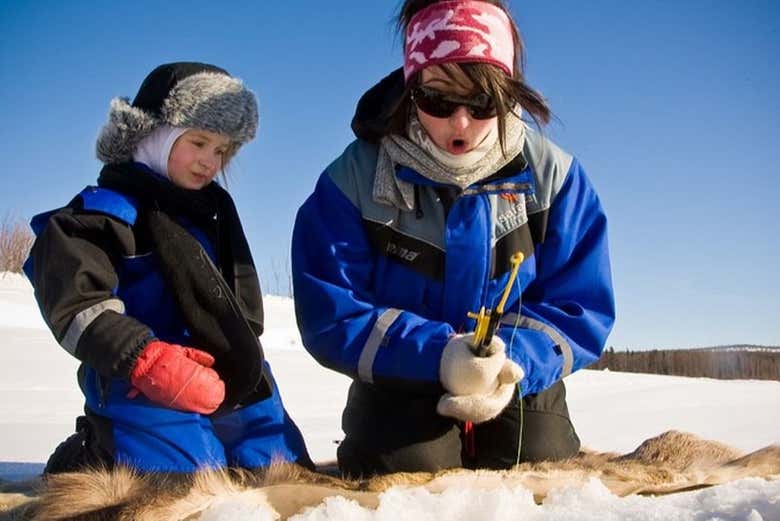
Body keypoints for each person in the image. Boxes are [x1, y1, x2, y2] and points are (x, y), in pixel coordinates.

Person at [292, 0, 615, 476]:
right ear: (411, 90)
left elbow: (580, 306)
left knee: (536, 459)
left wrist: (507, 361)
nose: (459, 123)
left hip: (518, 378)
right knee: (410, 471)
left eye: (482, 103)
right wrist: (438, 356)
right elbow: (332, 310)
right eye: (438, 101)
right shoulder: (352, 180)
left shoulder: (556, 178)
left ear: (508, 93)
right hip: (398, 375)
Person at [26, 62, 312, 473]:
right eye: (199, 142)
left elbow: (239, 305)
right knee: (186, 478)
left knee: (279, 467)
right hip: (138, 373)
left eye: (221, 150)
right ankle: (93, 451)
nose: (209, 161)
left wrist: (242, 360)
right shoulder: (103, 216)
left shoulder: (214, 215)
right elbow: (78, 305)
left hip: (215, 367)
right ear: (155, 135)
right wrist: (145, 358)